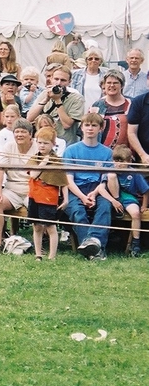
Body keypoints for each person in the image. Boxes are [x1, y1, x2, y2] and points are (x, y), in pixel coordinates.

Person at [63, 112, 119, 261]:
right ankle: (96, 250)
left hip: (97, 188)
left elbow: (104, 179)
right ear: (81, 127)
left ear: (100, 128)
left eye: (94, 125)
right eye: (87, 125)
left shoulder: (107, 152)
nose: (90, 128)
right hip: (76, 188)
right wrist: (82, 196)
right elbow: (68, 179)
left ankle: (93, 246)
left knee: (105, 208)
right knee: (77, 211)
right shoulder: (71, 150)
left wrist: (94, 194)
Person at [0, 118, 37, 256]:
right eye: (17, 132)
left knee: (38, 205)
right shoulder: (8, 147)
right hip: (12, 189)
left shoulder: (37, 148)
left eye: (23, 132)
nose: (19, 135)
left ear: (30, 134)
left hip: (32, 189)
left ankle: (39, 244)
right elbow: (0, 170)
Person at [27, 126, 67, 260]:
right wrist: (43, 163)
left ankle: (52, 256)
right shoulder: (35, 158)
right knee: (37, 226)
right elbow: (33, 174)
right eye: (39, 142)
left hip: (49, 198)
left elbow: (63, 181)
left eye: (46, 143)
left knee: (50, 227)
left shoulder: (57, 161)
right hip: (34, 196)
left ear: (53, 144)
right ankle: (38, 254)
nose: (42, 145)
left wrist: (66, 199)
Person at [27, 64, 84, 146]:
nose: (58, 83)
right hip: (44, 144)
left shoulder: (77, 99)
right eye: (56, 79)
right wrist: (45, 100)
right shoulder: (45, 93)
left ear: (69, 82)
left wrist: (58, 100)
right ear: (51, 79)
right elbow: (29, 118)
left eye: (63, 80)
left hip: (65, 143)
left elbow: (67, 125)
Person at [91, 71, 130, 148]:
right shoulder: (97, 105)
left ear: (122, 85)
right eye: (108, 83)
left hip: (125, 153)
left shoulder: (131, 104)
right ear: (104, 85)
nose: (112, 85)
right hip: (101, 153)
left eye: (115, 83)